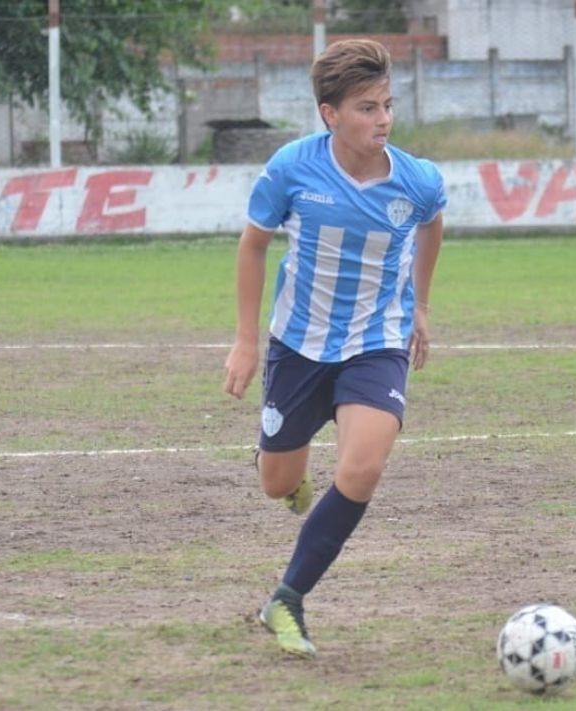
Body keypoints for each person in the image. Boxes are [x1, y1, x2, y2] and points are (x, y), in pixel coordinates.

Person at [223, 38, 447, 658]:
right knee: (277, 484)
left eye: (387, 105)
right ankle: (287, 475)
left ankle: (287, 598)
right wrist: (245, 341)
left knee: (363, 467)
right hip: (298, 344)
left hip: (376, 342)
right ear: (330, 114)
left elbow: (432, 224)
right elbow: (252, 246)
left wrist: (420, 306)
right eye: (367, 109)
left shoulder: (418, 180)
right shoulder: (291, 168)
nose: (383, 120)